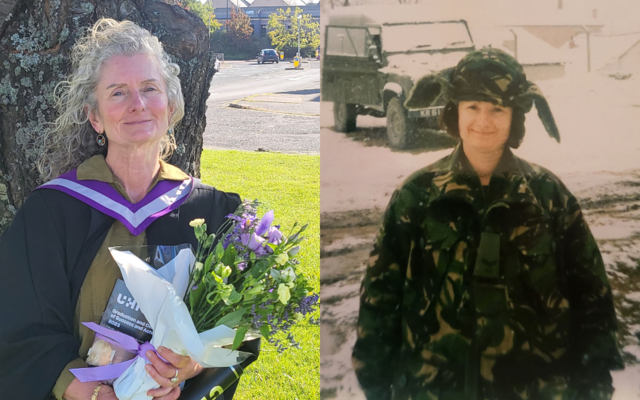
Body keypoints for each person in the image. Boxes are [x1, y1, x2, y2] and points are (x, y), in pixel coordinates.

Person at [0, 19, 257, 400]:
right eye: (118, 92)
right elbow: (18, 329)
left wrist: (191, 366)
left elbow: (239, 328)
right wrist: (93, 394)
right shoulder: (51, 212)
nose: (137, 104)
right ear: (95, 116)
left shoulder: (215, 212)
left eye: (149, 89)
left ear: (170, 106)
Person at [352, 48, 624, 400]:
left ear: (515, 117)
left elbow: (592, 296)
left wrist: (594, 381)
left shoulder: (549, 196)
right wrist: (375, 381)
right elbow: (380, 296)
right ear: (455, 112)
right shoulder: (416, 196)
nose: (484, 120)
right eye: (473, 107)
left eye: (498, 108)